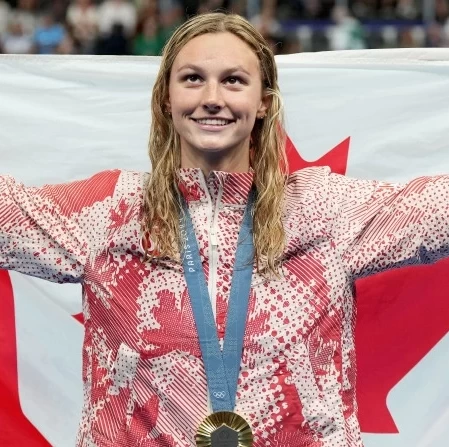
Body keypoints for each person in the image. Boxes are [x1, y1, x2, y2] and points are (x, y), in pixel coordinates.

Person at [1, 11, 449, 447]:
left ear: (263, 102)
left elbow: (437, 210)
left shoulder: (323, 210)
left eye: (233, 80)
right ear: (166, 98)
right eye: (192, 79)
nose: (212, 97)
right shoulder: (111, 212)